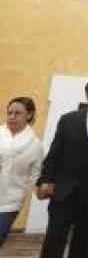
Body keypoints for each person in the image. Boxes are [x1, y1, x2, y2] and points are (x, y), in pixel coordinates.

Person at [37, 77, 88, 258]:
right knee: (54, 236)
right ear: (87, 94)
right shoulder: (68, 119)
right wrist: (46, 180)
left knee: (84, 241)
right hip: (64, 189)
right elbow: (54, 153)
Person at [0, 96, 43, 248]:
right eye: (9, 113)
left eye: (17, 113)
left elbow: (35, 175)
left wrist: (40, 190)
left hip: (10, 201)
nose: (12, 117)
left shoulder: (35, 145)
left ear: (29, 115)